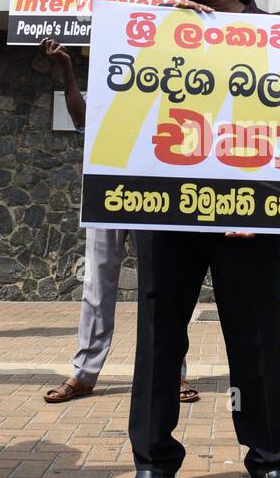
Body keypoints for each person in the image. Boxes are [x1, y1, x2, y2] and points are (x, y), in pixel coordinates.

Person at [125, 0, 280, 478]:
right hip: (169, 211)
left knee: (256, 339)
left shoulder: (276, 36)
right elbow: (127, 108)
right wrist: (163, 35)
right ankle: (153, 462)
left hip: (247, 217)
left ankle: (271, 460)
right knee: (158, 337)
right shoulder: (156, 23)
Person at [38, 39, 199, 406]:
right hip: (108, 193)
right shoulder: (114, 84)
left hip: (158, 197)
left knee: (162, 288)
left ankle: (172, 372)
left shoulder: (178, 84)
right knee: (96, 284)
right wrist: (66, 72)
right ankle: (83, 373)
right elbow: (81, 119)